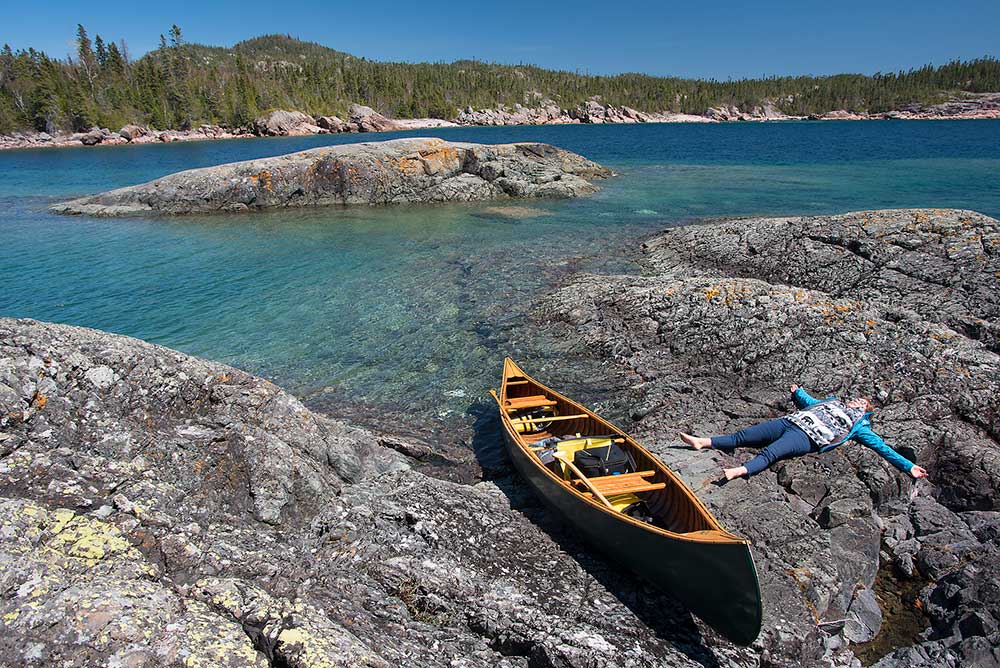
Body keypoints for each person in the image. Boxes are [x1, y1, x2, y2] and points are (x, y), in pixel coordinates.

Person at [680, 385, 929, 481]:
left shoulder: (861, 427)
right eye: (856, 399)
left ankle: (738, 471)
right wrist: (798, 392)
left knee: (770, 453)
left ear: (866, 411)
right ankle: (702, 442)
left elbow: (882, 448)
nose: (856, 402)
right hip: (790, 421)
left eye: (862, 403)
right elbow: (809, 401)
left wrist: (908, 466)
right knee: (743, 436)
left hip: (807, 438)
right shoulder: (833, 402)